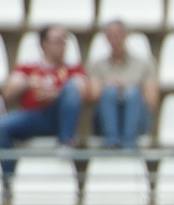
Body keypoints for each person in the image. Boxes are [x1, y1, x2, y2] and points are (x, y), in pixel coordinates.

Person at [0, 25, 90, 176]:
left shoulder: (73, 69)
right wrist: (28, 83)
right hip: (34, 116)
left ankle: (65, 142)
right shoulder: (28, 68)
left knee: (71, 89)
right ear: (44, 44)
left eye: (64, 41)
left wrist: (57, 94)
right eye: (57, 41)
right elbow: (7, 94)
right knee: (1, 126)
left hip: (61, 116)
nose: (62, 45)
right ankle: (9, 175)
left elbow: (87, 92)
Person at [88, 19, 159, 150]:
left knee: (132, 93)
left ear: (126, 36)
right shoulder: (98, 65)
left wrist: (128, 88)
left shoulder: (144, 64)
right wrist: (108, 86)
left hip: (137, 116)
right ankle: (112, 142)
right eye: (111, 35)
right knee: (109, 92)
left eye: (119, 34)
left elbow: (152, 101)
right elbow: (92, 96)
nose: (115, 39)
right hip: (105, 117)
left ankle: (128, 143)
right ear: (106, 38)